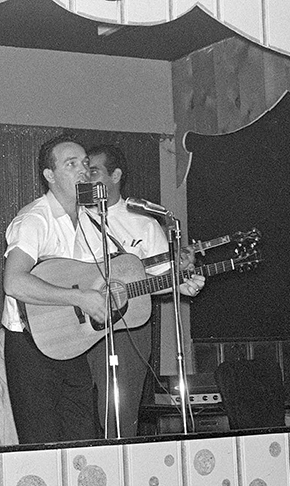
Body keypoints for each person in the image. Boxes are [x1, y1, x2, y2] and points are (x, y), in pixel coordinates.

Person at [1, 135, 203, 444]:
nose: (83, 170)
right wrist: (79, 297)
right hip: (31, 346)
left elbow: (115, 283)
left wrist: (175, 285)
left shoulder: (91, 220)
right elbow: (14, 281)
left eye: (84, 163)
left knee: (85, 443)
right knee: (42, 447)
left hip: (73, 346)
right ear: (50, 176)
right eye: (71, 164)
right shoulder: (34, 220)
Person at [83, 144, 204, 438]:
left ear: (116, 175)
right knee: (83, 408)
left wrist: (184, 283)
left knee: (120, 412)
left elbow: (162, 277)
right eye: (85, 171)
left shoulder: (145, 223)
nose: (86, 177)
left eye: (94, 171)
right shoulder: (73, 220)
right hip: (80, 326)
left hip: (129, 327)